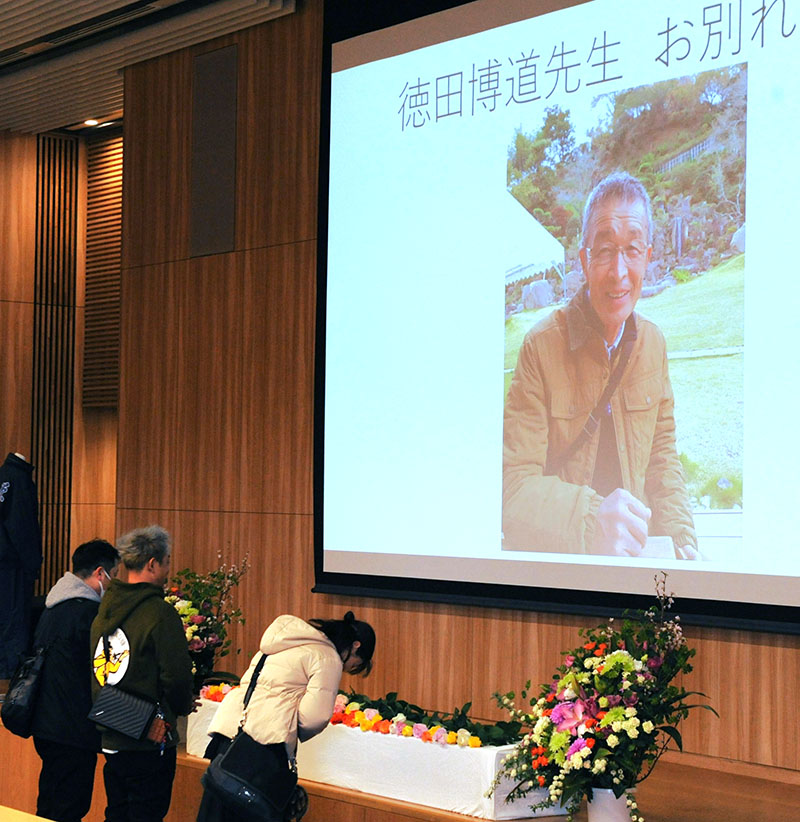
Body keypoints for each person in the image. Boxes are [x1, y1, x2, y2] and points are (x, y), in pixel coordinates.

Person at [503, 171, 697, 558]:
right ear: (584, 259)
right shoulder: (541, 347)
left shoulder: (653, 345)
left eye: (631, 250)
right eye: (605, 250)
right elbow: (512, 488)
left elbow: (662, 458)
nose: (619, 271)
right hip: (565, 565)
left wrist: (682, 540)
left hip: (636, 563)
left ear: (648, 257)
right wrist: (592, 520)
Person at [197, 610, 376, 822]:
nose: (348, 668)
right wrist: (289, 719)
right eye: (354, 664)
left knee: (214, 812)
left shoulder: (282, 640)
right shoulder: (327, 657)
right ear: (355, 645)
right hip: (264, 742)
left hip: (229, 734)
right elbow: (314, 718)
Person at [90, 525, 195, 822]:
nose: (168, 570)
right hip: (149, 740)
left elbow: (99, 676)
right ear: (152, 563)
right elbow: (176, 677)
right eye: (167, 562)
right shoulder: (159, 613)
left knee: (117, 812)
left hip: (111, 735)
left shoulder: (104, 609)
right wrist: (179, 708)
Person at [30, 539, 119, 822]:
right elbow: (98, 672)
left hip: (45, 722)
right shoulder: (88, 615)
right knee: (69, 806)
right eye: (113, 575)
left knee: (50, 803)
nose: (114, 583)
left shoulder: (52, 606)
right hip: (72, 728)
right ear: (99, 573)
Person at [0, 452, 43, 678]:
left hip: (3, 563)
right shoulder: (20, 480)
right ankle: (9, 682)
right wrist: (33, 564)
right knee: (13, 626)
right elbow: (22, 527)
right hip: (13, 566)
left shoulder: (3, 477)